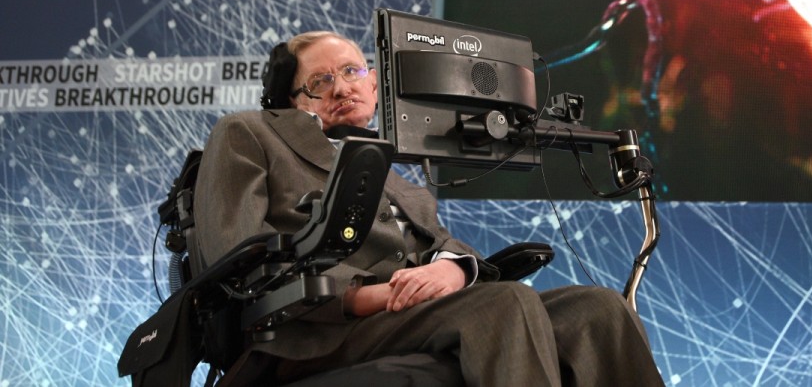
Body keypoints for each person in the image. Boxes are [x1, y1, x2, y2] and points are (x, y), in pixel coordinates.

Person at [193, 30, 665, 386]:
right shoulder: (250, 133)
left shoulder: (398, 181)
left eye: (352, 72)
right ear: (291, 100)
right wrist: (369, 295)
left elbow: (444, 245)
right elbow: (239, 259)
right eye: (321, 80)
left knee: (598, 310)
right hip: (314, 330)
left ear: (374, 85)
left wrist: (454, 270)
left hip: (414, 315)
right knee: (503, 304)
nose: (341, 88)